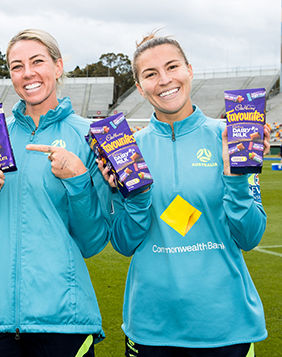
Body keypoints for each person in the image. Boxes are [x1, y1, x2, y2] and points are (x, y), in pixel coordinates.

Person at [99, 32, 269, 357]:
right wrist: (133, 198)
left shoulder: (230, 137)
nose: (164, 80)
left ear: (189, 70)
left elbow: (249, 236)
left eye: (172, 67)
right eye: (150, 74)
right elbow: (123, 243)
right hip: (151, 328)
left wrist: (235, 180)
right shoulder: (127, 150)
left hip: (225, 325)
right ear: (139, 86)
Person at [0, 29, 111, 357]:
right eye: (16, 66)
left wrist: (79, 181)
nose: (27, 73)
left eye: (37, 61)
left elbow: (93, 240)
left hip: (64, 318)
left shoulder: (90, 136)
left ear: (58, 66)